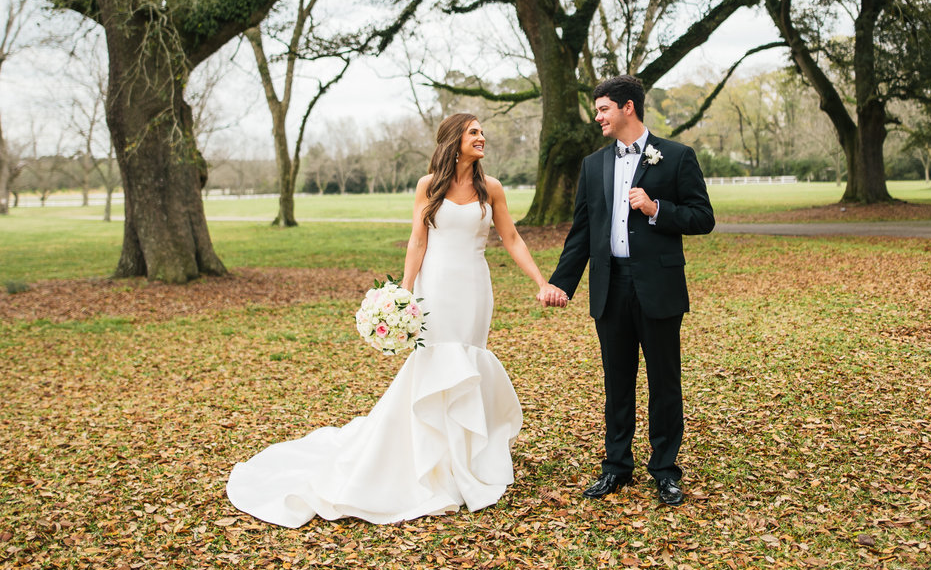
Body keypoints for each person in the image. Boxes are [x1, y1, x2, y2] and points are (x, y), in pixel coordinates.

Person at [227, 113, 564, 526]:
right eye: (473, 131)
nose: (482, 137)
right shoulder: (428, 185)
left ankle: (464, 465)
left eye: (481, 132)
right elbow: (418, 239)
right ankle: (427, 462)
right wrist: (403, 295)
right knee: (434, 364)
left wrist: (541, 281)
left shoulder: (490, 188)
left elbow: (511, 237)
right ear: (453, 140)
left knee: (466, 363)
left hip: (474, 288)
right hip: (434, 287)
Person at [542, 75, 715, 506]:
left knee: (664, 381)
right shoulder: (593, 165)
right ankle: (616, 467)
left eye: (603, 109)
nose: (597, 116)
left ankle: (665, 470)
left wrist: (657, 209)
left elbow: (702, 217)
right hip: (610, 287)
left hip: (658, 286)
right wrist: (561, 284)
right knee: (617, 382)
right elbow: (581, 233)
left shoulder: (676, 157)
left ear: (628, 108)